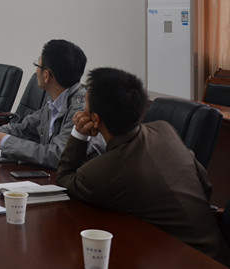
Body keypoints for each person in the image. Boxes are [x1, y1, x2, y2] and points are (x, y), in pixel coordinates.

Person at [57, 67, 230, 265]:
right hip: (217, 254)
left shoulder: (105, 169)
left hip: (185, 260)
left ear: (95, 119)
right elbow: (204, 183)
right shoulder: (164, 129)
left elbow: (64, 177)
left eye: (85, 105)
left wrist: (79, 134)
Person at [0, 39, 103, 168]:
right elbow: (23, 128)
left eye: (37, 65)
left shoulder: (80, 109)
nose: (36, 71)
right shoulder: (55, 101)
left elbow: (58, 155)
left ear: (46, 75)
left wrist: (6, 141)